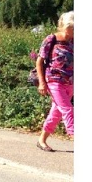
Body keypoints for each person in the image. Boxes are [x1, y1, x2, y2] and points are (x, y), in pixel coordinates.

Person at [35, 11, 74, 150]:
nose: (75, 30)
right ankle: (75, 135)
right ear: (65, 26)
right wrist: (41, 83)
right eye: (73, 27)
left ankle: (41, 140)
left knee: (56, 113)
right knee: (68, 109)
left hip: (70, 83)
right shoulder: (52, 39)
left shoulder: (75, 41)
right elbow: (39, 62)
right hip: (54, 81)